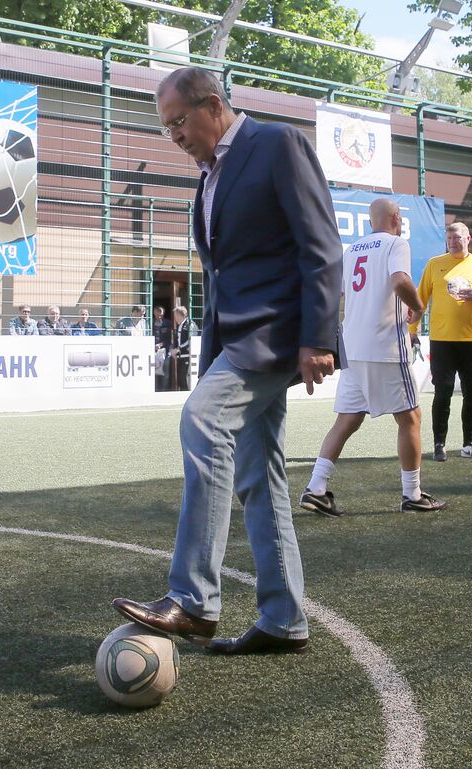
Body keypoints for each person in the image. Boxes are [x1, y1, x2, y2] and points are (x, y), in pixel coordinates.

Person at [112, 66, 342, 655]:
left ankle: (192, 598)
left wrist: (318, 336)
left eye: (179, 122)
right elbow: (221, 275)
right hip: (235, 339)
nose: (176, 137)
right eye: (167, 129)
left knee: (203, 420)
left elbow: (321, 245)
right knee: (257, 473)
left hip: (277, 335)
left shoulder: (277, 143)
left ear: (213, 105)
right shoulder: (207, 177)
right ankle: (284, 618)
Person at [300, 198, 446, 518]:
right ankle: (412, 494)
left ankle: (316, 488)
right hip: (385, 347)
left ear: (369, 221)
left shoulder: (351, 251)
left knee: (347, 419)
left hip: (353, 347)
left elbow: (335, 294)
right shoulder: (396, 244)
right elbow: (399, 281)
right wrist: (419, 307)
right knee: (410, 417)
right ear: (396, 217)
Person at [410, 221, 472, 461]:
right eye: (449, 238)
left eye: (457, 238)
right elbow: (420, 300)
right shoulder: (434, 264)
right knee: (443, 392)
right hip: (442, 342)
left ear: (468, 239)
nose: (452, 241)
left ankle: (468, 444)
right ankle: (439, 444)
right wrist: (412, 329)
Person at [170, 306, 191, 391]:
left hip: (187, 355)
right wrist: (174, 349)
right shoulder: (180, 326)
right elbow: (177, 339)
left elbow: (190, 340)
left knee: (184, 377)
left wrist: (179, 349)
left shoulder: (189, 324)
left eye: (176, 315)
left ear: (181, 315)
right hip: (181, 355)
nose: (174, 318)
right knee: (180, 378)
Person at [153, 305, 172, 391]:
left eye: (161, 315)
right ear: (154, 313)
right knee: (154, 371)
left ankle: (164, 390)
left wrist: (161, 344)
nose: (160, 317)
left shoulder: (168, 323)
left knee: (165, 371)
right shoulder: (151, 323)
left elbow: (170, 338)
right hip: (153, 351)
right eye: (158, 314)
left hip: (165, 350)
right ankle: (155, 389)